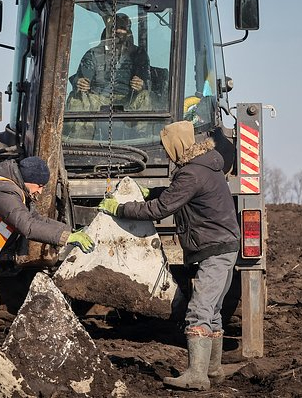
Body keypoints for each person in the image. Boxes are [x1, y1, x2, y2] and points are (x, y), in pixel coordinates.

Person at [97, 121, 240, 391]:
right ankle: (213, 369)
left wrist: (121, 208)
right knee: (214, 310)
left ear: (176, 145)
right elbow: (180, 197)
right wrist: (156, 192)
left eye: (166, 147)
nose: (165, 152)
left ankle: (197, 376)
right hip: (225, 246)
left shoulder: (191, 173)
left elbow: (160, 210)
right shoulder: (207, 165)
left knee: (198, 311)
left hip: (214, 249)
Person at [0, 156, 95, 338]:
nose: (40, 191)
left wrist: (70, 231)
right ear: (28, 180)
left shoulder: (9, 189)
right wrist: (66, 238)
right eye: (40, 186)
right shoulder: (2, 190)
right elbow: (27, 226)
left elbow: (36, 219)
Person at [67, 13, 152, 111]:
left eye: (122, 28)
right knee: (76, 99)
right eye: (114, 27)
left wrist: (141, 85)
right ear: (107, 30)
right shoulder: (93, 54)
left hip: (129, 101)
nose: (117, 31)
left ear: (128, 32)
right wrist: (80, 83)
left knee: (144, 96)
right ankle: (86, 127)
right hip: (97, 100)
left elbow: (148, 83)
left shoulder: (138, 54)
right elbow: (82, 78)